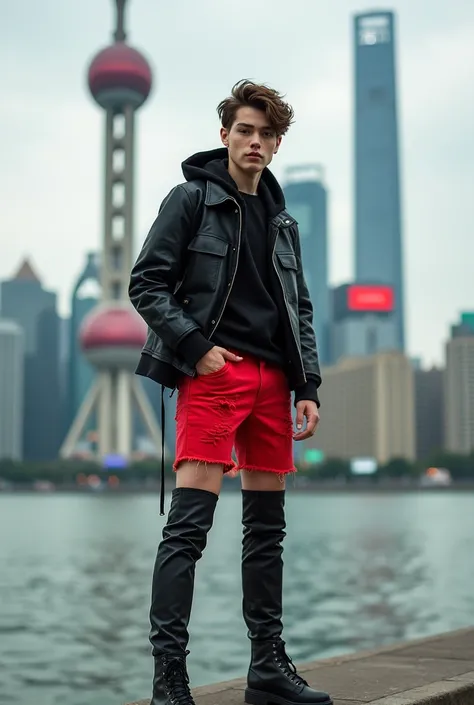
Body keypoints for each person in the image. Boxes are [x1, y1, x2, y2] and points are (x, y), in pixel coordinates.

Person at [128, 79, 332, 705]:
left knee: (266, 531)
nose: (255, 142)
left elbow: (298, 307)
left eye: (267, 134)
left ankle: (267, 668)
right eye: (245, 130)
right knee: (188, 530)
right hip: (215, 376)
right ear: (225, 135)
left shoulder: (284, 221)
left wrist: (307, 384)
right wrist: (196, 349)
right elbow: (147, 283)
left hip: (274, 383)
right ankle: (170, 681)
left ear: (276, 144)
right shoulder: (191, 200)